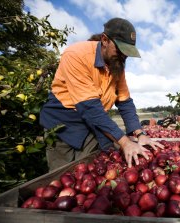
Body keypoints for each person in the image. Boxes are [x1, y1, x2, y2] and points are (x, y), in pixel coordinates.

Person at [40, 17, 163, 172]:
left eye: (127, 53)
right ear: (105, 40)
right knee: (62, 175)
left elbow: (125, 102)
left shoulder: (117, 66)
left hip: (92, 124)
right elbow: (90, 108)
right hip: (63, 124)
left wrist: (140, 133)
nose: (123, 56)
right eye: (120, 50)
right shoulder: (76, 55)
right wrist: (125, 142)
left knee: (90, 171)